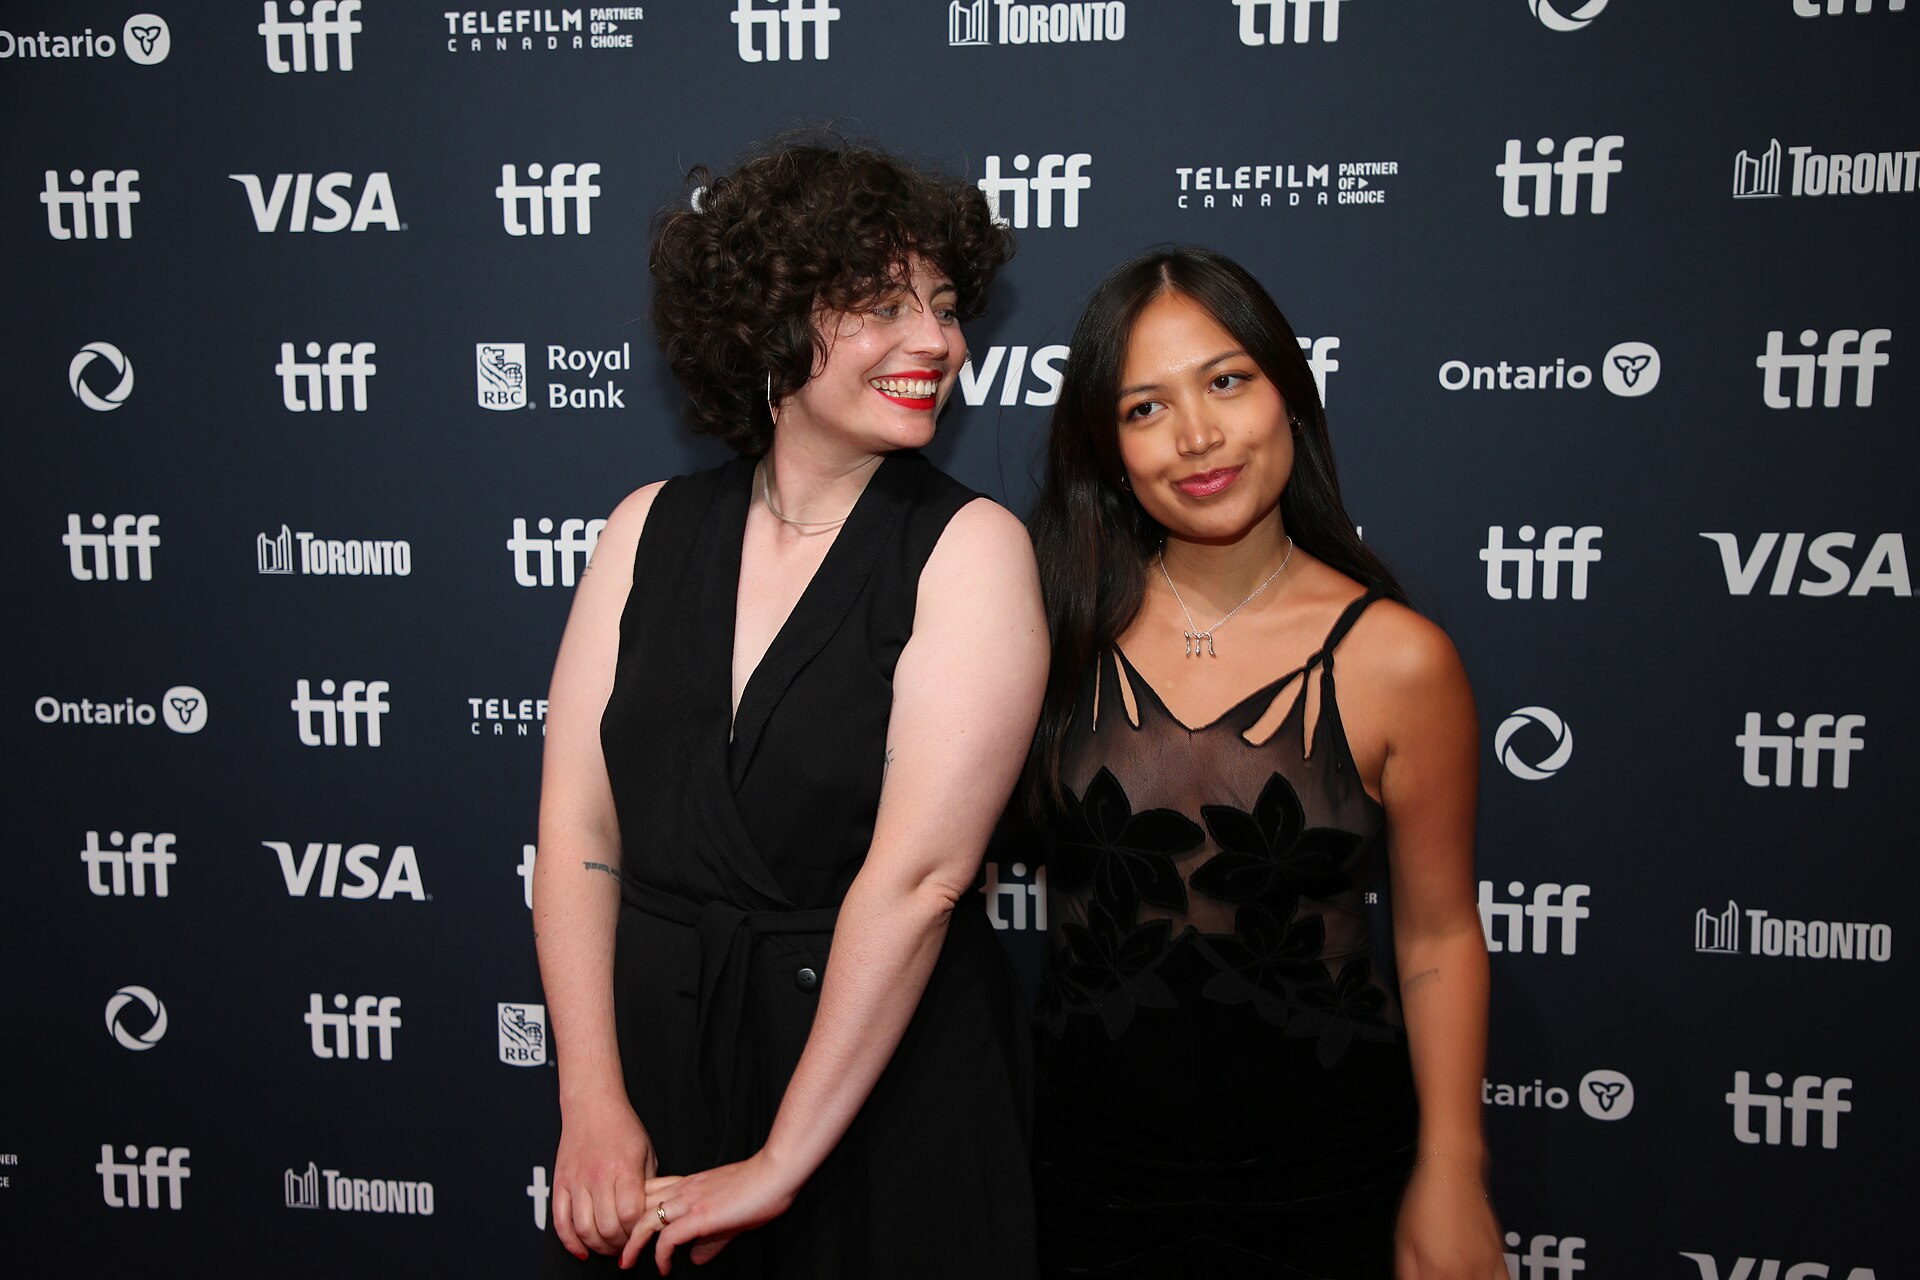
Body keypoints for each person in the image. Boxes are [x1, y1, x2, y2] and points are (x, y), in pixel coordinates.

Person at [532, 141, 1046, 1278]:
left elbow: (920, 878)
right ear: (768, 326)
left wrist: (780, 1160)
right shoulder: (642, 529)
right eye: (879, 304)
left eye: (948, 307)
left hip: (877, 1088)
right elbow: (578, 828)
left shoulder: (970, 550)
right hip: (655, 1074)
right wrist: (592, 1098)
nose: (937, 341)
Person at [1025, 247, 1503, 1279]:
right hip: (1086, 1177)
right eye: (1144, 407)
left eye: (1227, 381)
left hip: (1326, 1176)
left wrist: (1453, 1170)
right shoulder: (1047, 631)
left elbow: (1437, 931)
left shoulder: (1400, 659)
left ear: (1290, 392)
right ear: (1107, 449)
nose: (1197, 436)